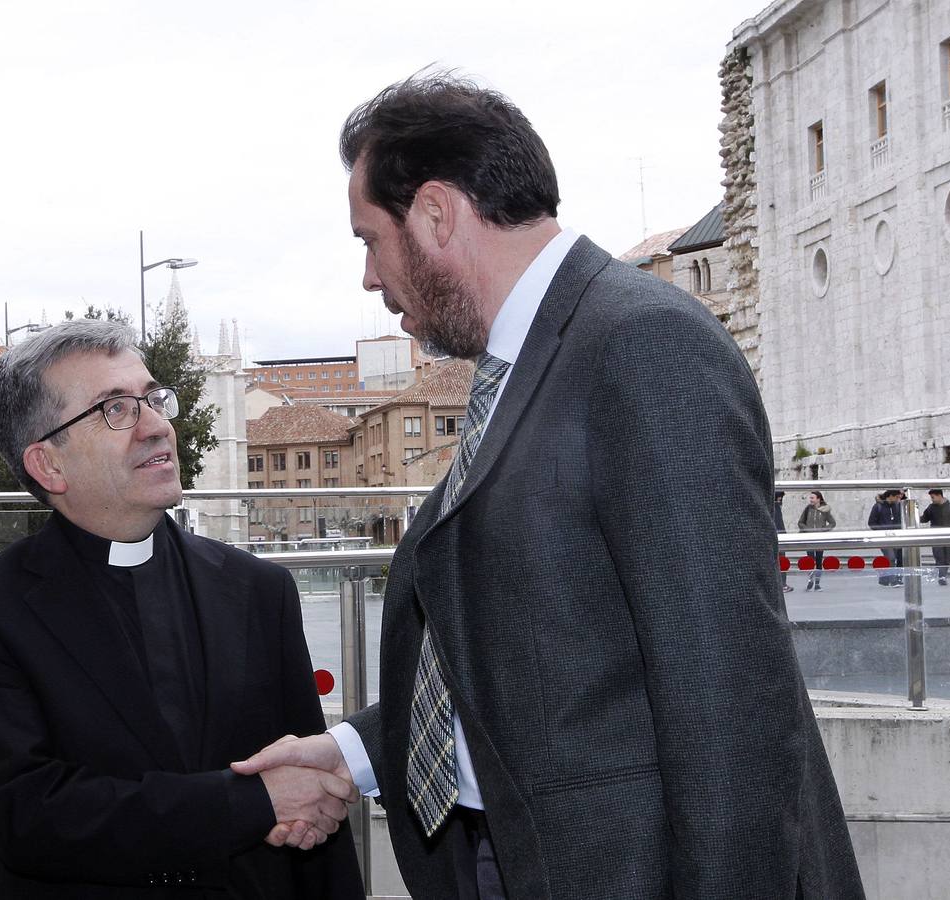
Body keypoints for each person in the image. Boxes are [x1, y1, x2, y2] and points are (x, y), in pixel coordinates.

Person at [233, 72, 864, 898]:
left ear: (435, 213)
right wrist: (352, 753)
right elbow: (549, 660)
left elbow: (728, 694)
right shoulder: (528, 361)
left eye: (369, 239)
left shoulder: (642, 344)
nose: (368, 277)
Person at [0, 320, 363, 899]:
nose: (158, 426)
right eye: (115, 409)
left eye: (154, 399)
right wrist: (251, 803)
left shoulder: (260, 589)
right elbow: (31, 815)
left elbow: (312, 807)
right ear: (49, 465)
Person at [920, 488, 950, 584]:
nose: (932, 500)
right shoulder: (931, 508)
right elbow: (924, 518)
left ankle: (943, 575)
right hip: (935, 537)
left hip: (948, 537)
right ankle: (942, 576)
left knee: (948, 556)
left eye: (933, 497)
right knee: (939, 556)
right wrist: (913, 517)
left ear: (939, 496)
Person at [798, 490, 837, 591]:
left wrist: (823, 530)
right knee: (810, 561)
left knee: (819, 561)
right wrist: (807, 529)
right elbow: (800, 522)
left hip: (819, 539)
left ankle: (817, 584)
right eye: (810, 498)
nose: (810, 500)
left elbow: (832, 523)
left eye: (812, 498)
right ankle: (810, 581)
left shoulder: (825, 510)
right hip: (809, 539)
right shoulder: (808, 509)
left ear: (818, 499)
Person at [868, 489, 904, 586]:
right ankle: (893, 580)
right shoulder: (878, 506)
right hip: (883, 537)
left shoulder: (897, 506)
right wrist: (882, 530)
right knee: (891, 558)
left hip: (895, 537)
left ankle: (884, 579)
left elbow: (900, 520)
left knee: (891, 558)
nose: (898, 499)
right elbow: (871, 523)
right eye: (896, 497)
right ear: (890, 496)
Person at [774, 490, 793, 593]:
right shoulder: (776, 507)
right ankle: (782, 585)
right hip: (779, 538)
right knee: (781, 561)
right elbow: (779, 524)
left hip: (776, 537)